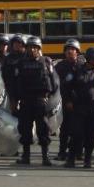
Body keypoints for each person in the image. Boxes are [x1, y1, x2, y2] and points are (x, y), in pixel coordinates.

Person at [15, 36, 58, 166]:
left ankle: (46, 156)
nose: (32, 49)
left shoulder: (46, 62)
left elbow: (54, 81)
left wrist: (50, 98)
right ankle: (26, 156)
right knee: (25, 128)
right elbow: (17, 82)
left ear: (39, 48)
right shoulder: (21, 63)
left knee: (43, 129)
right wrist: (17, 99)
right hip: (26, 100)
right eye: (30, 47)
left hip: (41, 100)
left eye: (35, 47)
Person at [69, 47, 94, 168]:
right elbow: (67, 87)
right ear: (90, 59)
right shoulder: (77, 71)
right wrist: (69, 101)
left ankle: (88, 159)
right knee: (77, 134)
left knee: (92, 134)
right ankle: (71, 158)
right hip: (79, 107)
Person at [54, 38, 81, 161]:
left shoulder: (82, 66)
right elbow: (57, 85)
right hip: (64, 102)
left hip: (80, 103)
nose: (70, 52)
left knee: (79, 129)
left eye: (73, 49)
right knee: (64, 129)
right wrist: (67, 100)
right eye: (68, 50)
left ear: (77, 52)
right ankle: (62, 152)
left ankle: (78, 152)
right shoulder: (60, 66)